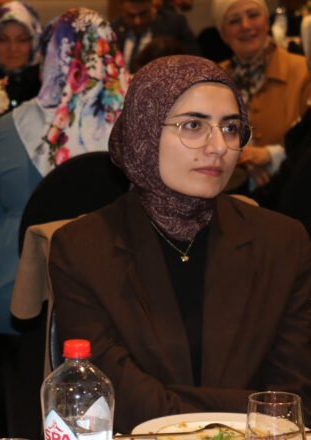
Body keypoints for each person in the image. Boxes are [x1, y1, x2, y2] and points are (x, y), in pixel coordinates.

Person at [49, 55, 311, 433]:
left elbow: (290, 401)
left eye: (231, 128)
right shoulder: (83, 249)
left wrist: (184, 407)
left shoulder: (283, 243)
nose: (219, 146)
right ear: (144, 132)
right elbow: (113, 397)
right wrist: (234, 409)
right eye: (193, 125)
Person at [0, 8, 127, 438]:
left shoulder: (12, 128)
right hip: (117, 294)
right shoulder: (140, 130)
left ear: (50, 56)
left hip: (16, 298)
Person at [212, 0, 311, 189]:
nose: (245, 26)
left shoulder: (303, 72)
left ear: (267, 21)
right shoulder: (212, 79)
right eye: (234, 21)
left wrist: (271, 155)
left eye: (253, 15)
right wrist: (242, 159)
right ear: (223, 33)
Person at [0, 1, 43, 111]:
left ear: (34, 42)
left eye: (22, 40)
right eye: (3, 40)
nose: (13, 48)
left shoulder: (47, 87)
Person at [112, 0, 199, 72]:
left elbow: (195, 61)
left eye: (143, 14)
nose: (137, 21)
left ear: (152, 8)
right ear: (122, 11)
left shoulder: (174, 25)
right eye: (131, 16)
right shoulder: (114, 29)